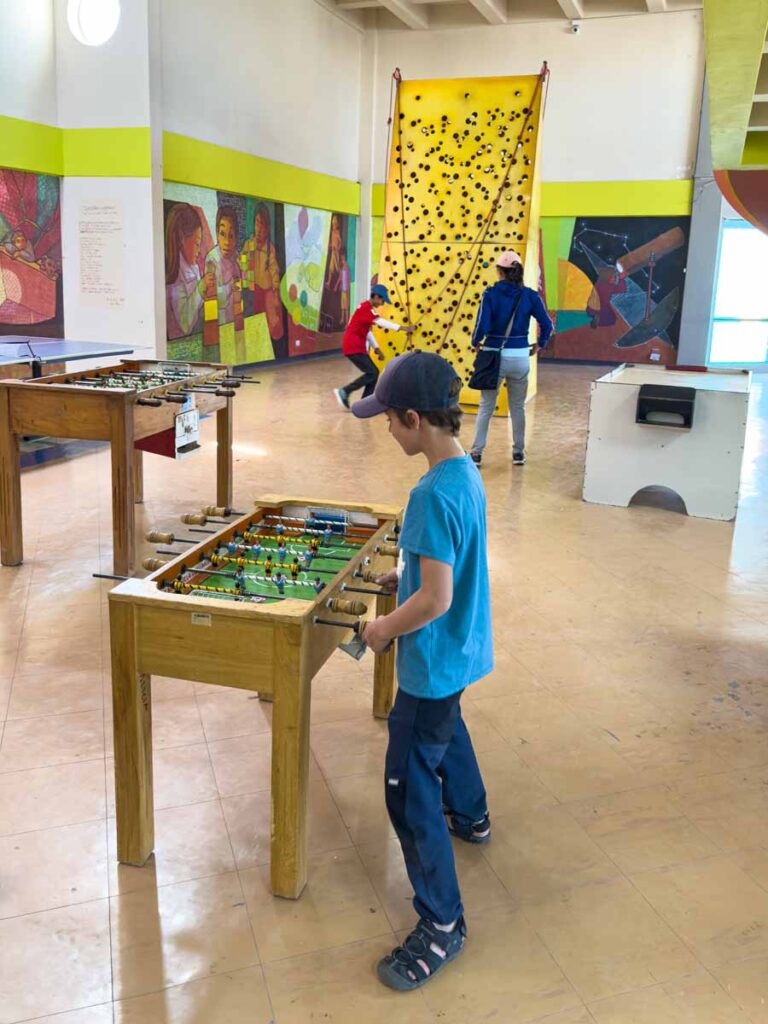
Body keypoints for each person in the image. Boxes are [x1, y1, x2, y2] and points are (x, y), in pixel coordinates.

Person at [352, 351, 493, 992]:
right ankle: (472, 814)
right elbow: (443, 572)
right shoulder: (465, 471)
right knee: (449, 726)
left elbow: (433, 600)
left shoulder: (430, 494)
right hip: (464, 651)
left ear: (414, 419)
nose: (385, 430)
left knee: (407, 788)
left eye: (389, 420)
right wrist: (401, 573)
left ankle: (442, 924)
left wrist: (383, 628)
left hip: (430, 662)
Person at [469, 251, 553, 467]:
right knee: (517, 407)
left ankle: (477, 453)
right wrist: (540, 343)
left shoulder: (490, 294)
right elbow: (547, 324)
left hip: (494, 356)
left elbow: (482, 325)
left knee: (487, 406)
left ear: (499, 271)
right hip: (520, 356)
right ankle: (518, 453)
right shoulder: (530, 296)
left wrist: (475, 341)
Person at [333, 284, 416, 410]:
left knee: (373, 373)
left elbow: (367, 331)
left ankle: (364, 403)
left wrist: (376, 348)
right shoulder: (367, 309)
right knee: (372, 372)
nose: (382, 304)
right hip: (353, 346)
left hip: (355, 346)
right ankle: (345, 391)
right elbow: (381, 322)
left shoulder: (364, 309)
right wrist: (403, 328)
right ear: (376, 297)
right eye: (382, 300)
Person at [165, 203, 214, 340]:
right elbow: (185, 325)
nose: (199, 251)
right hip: (181, 343)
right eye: (197, 243)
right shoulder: (175, 276)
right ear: (182, 237)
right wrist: (201, 288)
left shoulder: (192, 266)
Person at [205, 205, 241, 325]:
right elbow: (217, 300)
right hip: (219, 323)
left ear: (236, 238)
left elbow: (240, 291)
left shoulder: (237, 256)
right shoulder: (212, 260)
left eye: (231, 236)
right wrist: (232, 286)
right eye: (222, 234)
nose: (227, 242)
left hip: (235, 318)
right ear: (216, 235)